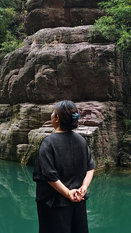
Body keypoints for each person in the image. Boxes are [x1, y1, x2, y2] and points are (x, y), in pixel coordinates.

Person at [33, 100, 95, 233]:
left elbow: (49, 175)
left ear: (57, 118)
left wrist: (68, 193)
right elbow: (90, 167)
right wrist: (83, 188)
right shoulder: (81, 141)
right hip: (78, 201)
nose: (51, 115)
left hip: (54, 206)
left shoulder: (48, 143)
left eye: (53, 113)